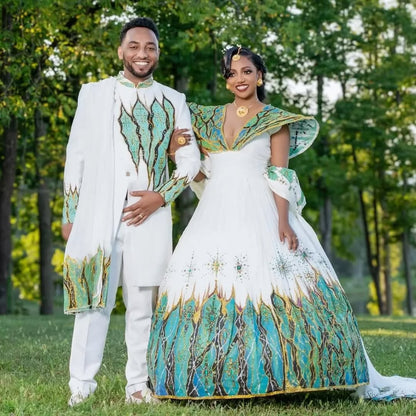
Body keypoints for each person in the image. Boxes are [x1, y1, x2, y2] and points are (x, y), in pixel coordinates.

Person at [147, 46, 416, 401]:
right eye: (232, 74)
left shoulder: (276, 121)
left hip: (263, 209)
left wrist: (284, 221)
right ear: (226, 82)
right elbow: (200, 169)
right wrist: (177, 152)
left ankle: (285, 372)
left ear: (260, 76)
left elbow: (279, 174)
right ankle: (208, 376)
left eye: (246, 72)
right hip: (216, 213)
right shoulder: (206, 118)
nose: (239, 79)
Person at [61, 17, 200, 406]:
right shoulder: (94, 94)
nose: (143, 53)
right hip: (97, 210)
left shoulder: (174, 101)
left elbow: (189, 161)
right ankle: (81, 387)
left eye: (150, 47)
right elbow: (78, 156)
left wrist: (161, 196)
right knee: (94, 301)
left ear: (157, 53)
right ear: (121, 51)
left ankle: (138, 386)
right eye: (135, 46)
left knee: (143, 303)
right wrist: (69, 215)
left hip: (150, 214)